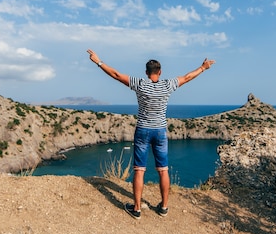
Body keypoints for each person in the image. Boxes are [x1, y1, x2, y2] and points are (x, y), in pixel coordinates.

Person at [87, 49, 215, 219]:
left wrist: (99, 61)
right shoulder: (167, 85)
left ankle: (137, 209)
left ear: (146, 73)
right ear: (160, 72)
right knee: (163, 170)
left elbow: (116, 75)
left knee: (139, 170)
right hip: (160, 132)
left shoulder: (140, 84)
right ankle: (164, 207)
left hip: (143, 131)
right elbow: (187, 77)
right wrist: (203, 67)